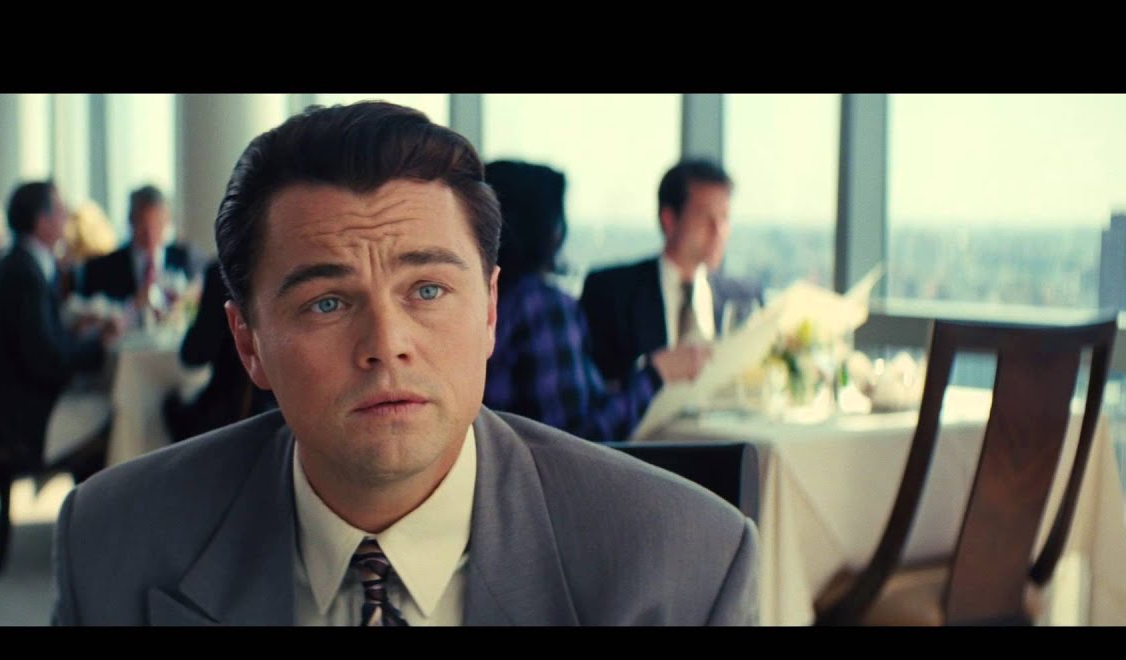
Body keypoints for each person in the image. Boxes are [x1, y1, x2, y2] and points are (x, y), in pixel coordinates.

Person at [52, 102, 757, 626]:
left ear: (489, 310)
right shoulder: (112, 539)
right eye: (328, 302)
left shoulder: (683, 563)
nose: (387, 343)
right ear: (248, 343)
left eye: (427, 290)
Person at [482, 160, 706, 441]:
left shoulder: (479, 297)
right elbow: (578, 439)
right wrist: (658, 373)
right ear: (548, 229)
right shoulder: (544, 307)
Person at [0, 181, 121, 572]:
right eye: (59, 210)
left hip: (3, 405)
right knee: (120, 410)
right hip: (23, 415)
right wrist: (100, 344)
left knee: (106, 398)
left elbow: (36, 340)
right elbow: (48, 361)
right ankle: (102, 533)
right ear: (41, 222)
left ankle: (93, 526)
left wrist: (75, 330)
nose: (66, 216)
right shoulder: (24, 273)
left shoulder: (15, 263)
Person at [580, 159, 763, 391]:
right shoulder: (611, 293)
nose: (718, 231)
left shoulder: (744, 297)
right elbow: (598, 394)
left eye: (724, 217)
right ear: (669, 220)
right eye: (704, 216)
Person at [162, 258, 277, 442]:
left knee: (169, 404)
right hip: (282, 413)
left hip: (229, 415)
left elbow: (194, 355)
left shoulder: (222, 273)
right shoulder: (290, 266)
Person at [79, 185, 193, 305]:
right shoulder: (101, 269)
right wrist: (132, 305)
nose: (150, 233)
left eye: (157, 224)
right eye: (144, 225)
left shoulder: (187, 260)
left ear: (167, 222)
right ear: (131, 221)